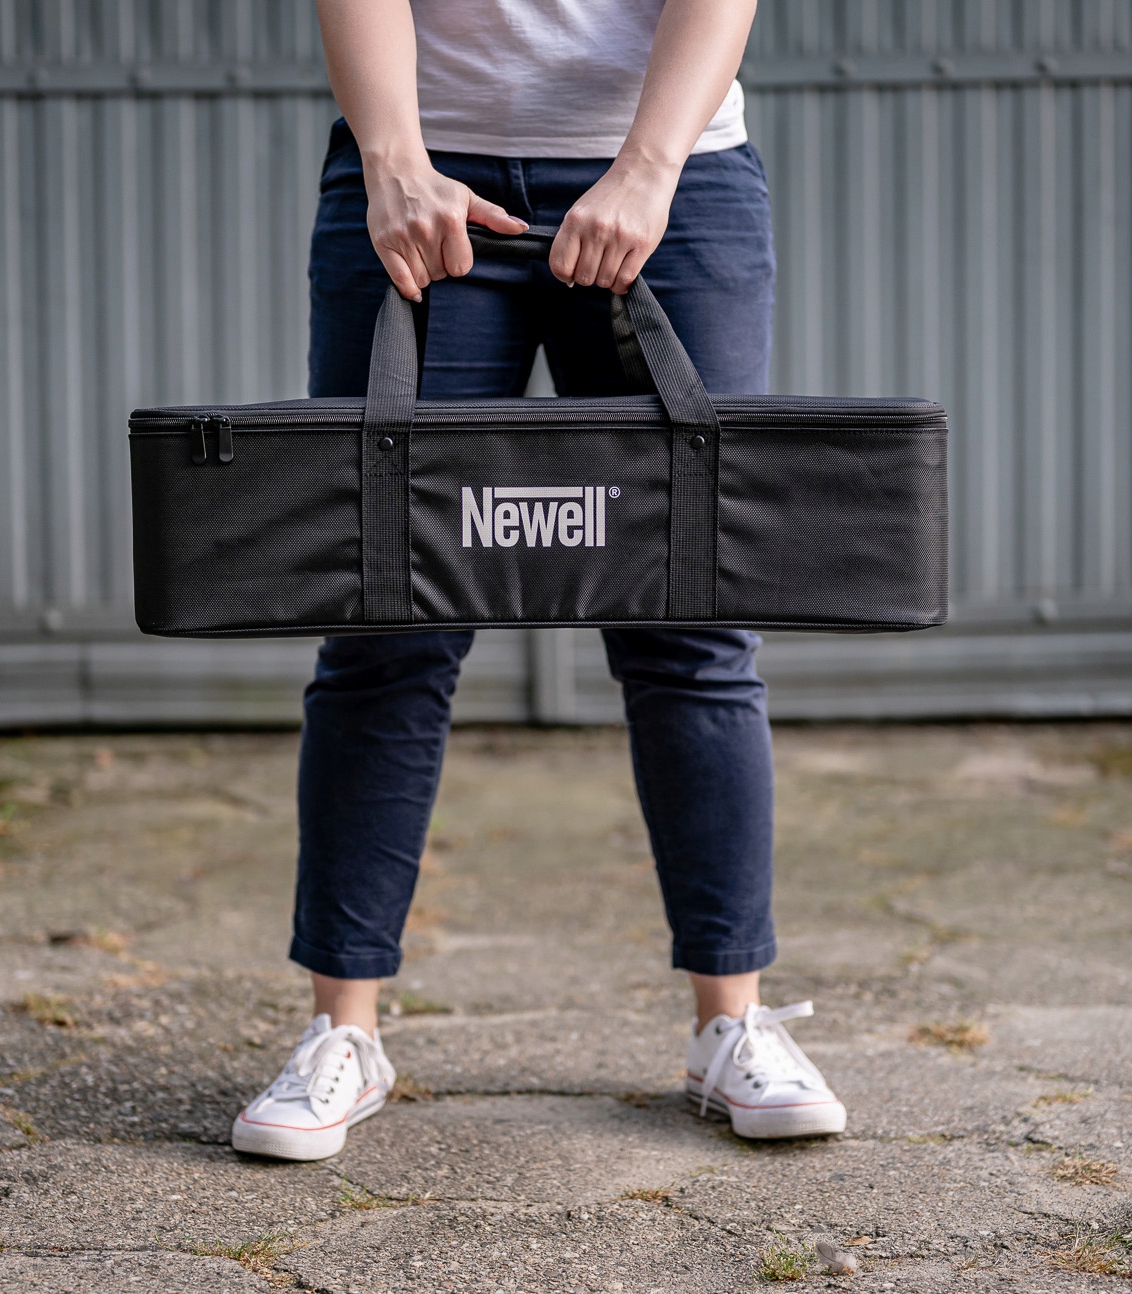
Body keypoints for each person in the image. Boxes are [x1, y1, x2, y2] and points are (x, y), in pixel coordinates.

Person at [231, 0, 846, 1163]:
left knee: (691, 616)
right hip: (422, 174)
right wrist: (392, 162)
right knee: (383, 620)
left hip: (674, 175)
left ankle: (731, 1026)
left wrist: (647, 169)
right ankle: (341, 1033)